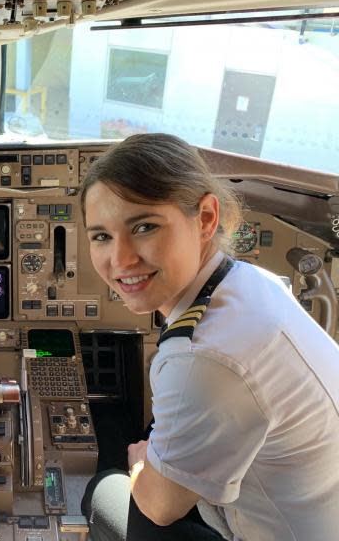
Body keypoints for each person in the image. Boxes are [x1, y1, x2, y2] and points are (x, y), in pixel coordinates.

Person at [79, 133, 339, 541]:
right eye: (101, 236)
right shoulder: (252, 281)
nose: (120, 259)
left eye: (144, 226)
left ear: (204, 218)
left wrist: (140, 466)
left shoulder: (204, 356)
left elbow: (159, 506)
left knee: (104, 490)